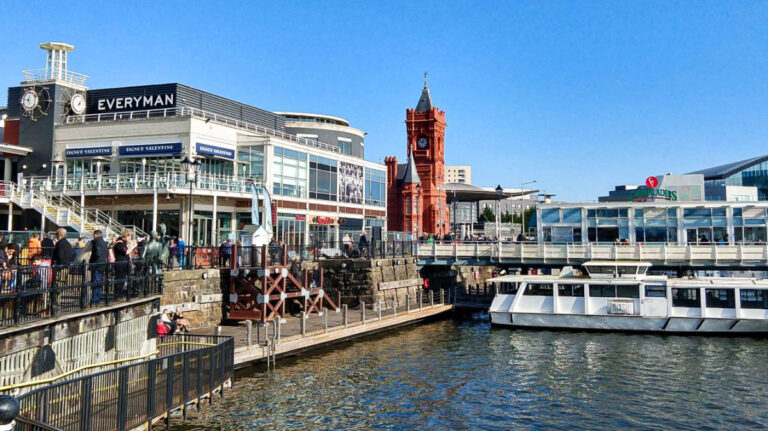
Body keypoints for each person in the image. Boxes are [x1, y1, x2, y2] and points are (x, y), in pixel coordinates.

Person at [89, 229, 109, 307]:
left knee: (95, 282)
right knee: (99, 283)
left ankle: (94, 301)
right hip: (102, 264)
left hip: (96, 264)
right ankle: (97, 300)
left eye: (93, 235)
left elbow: (97, 253)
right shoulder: (104, 243)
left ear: (96, 235)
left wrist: (91, 261)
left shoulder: (96, 242)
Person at [113, 230, 134, 298]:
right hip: (120, 265)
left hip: (123, 265)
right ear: (126, 236)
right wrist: (132, 246)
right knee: (119, 280)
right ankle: (117, 295)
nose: (130, 239)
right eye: (129, 237)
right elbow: (125, 252)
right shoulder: (119, 243)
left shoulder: (123, 243)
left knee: (122, 280)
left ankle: (120, 294)